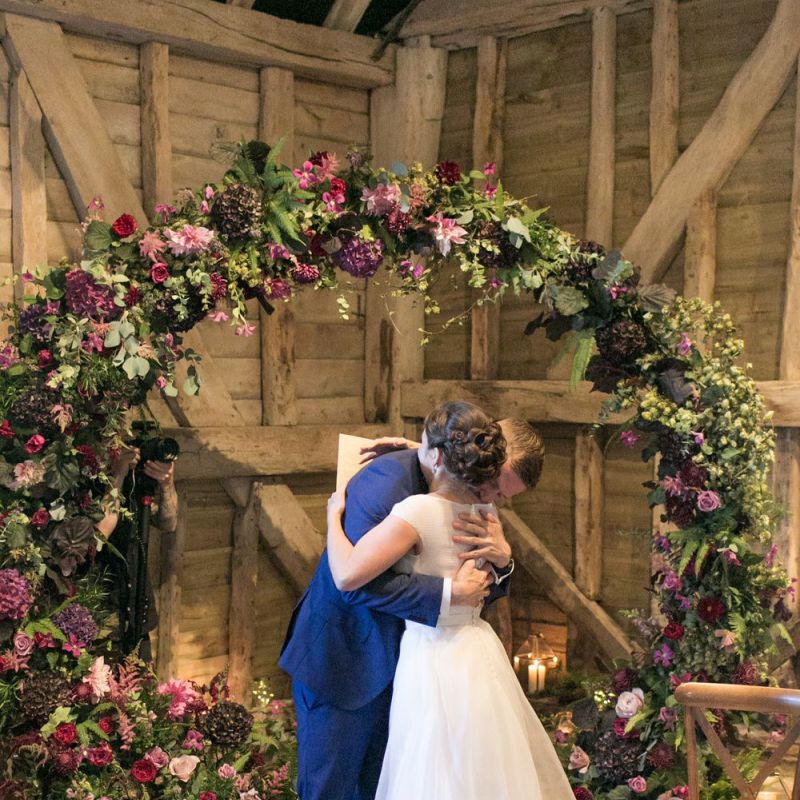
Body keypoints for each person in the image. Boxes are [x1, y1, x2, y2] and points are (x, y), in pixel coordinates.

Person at [279, 405, 545, 800]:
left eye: (502, 494)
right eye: (495, 486)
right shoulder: (384, 486)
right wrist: (448, 593)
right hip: (347, 661)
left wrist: (503, 563)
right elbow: (350, 585)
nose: (492, 498)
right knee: (329, 788)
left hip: (414, 670)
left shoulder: (468, 496)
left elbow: (478, 588)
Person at [95, 446, 178, 662]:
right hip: (100, 616)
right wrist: (118, 474)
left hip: (137, 611)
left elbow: (169, 523)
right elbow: (99, 534)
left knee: (141, 691)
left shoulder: (136, 480)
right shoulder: (93, 475)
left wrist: (167, 485)